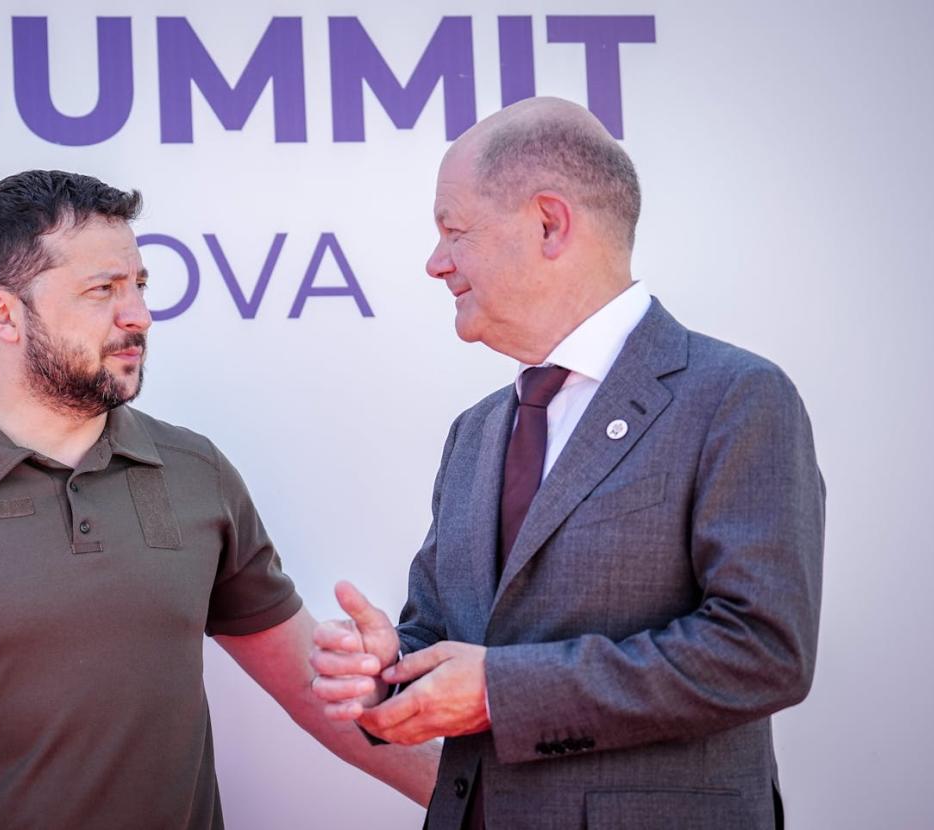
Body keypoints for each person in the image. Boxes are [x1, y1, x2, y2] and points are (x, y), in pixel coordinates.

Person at [0, 170, 438, 829]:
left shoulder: (196, 473)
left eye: (138, 286)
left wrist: (485, 805)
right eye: (102, 290)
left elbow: (312, 688)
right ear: (3, 313)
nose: (138, 315)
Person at [309, 97, 824, 829]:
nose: (435, 263)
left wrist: (501, 693)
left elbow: (762, 650)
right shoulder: (476, 431)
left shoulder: (737, 398)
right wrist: (387, 670)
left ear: (549, 223)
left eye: (453, 231)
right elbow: (442, 635)